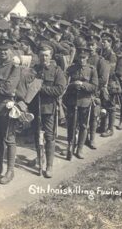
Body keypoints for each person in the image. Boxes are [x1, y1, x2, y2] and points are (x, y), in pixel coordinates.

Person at [0, 36, 21, 185]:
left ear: (11, 51)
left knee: (9, 138)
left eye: (6, 50)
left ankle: (10, 170)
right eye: (1, 50)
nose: (3, 53)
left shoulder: (15, 67)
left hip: (8, 106)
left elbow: (8, 88)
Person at [30, 45, 66, 177]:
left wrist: (42, 89)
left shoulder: (57, 71)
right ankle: (40, 159)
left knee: (49, 136)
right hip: (35, 107)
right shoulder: (34, 69)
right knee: (35, 134)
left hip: (48, 108)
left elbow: (60, 89)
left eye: (46, 55)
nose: (43, 58)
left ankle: (49, 165)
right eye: (41, 55)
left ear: (50, 56)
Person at [64, 47, 98, 160]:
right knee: (71, 125)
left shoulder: (92, 69)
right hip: (72, 101)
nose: (82, 60)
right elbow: (64, 84)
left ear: (87, 58)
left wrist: (83, 85)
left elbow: (94, 86)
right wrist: (73, 84)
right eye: (80, 57)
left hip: (85, 101)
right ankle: (70, 147)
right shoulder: (71, 69)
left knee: (83, 125)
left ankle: (80, 149)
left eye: (84, 58)